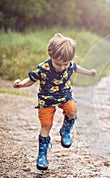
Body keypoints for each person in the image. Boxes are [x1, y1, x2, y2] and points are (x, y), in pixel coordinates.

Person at [13, 33, 97, 170]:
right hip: (46, 100)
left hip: (65, 95)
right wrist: (21, 84)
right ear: (51, 56)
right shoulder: (43, 68)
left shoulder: (69, 65)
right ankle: (42, 155)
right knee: (46, 125)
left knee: (73, 110)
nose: (62, 67)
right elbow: (31, 79)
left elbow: (76, 68)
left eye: (65, 64)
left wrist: (89, 73)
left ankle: (65, 130)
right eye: (58, 64)